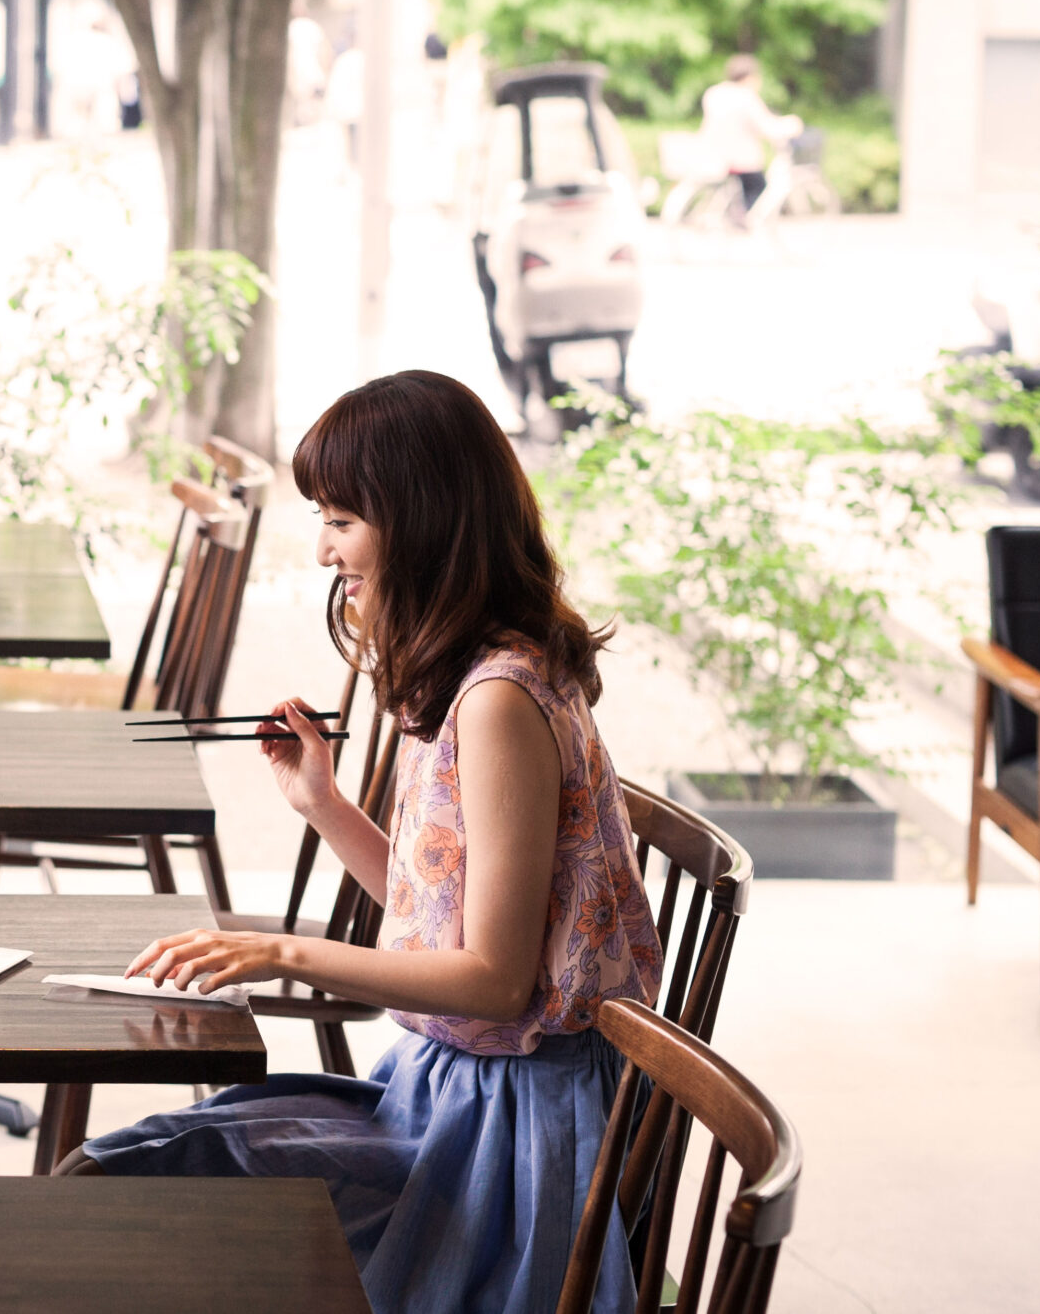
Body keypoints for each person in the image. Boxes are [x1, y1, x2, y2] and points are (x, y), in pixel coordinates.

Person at [62, 369, 662, 1314]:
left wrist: (280, 950)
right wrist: (323, 804)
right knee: (128, 1168)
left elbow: (497, 982)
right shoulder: (485, 672)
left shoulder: (501, 699)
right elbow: (449, 921)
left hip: (506, 1136)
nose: (322, 550)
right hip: (444, 1089)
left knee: (142, 1186)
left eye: (341, 520)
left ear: (421, 522)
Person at [697, 54, 803, 227]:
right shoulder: (746, 96)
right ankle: (745, 220)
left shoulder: (714, 92)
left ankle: (737, 215)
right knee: (758, 186)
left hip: (713, 154)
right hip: (739, 157)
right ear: (750, 77)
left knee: (743, 184)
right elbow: (766, 126)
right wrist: (791, 125)